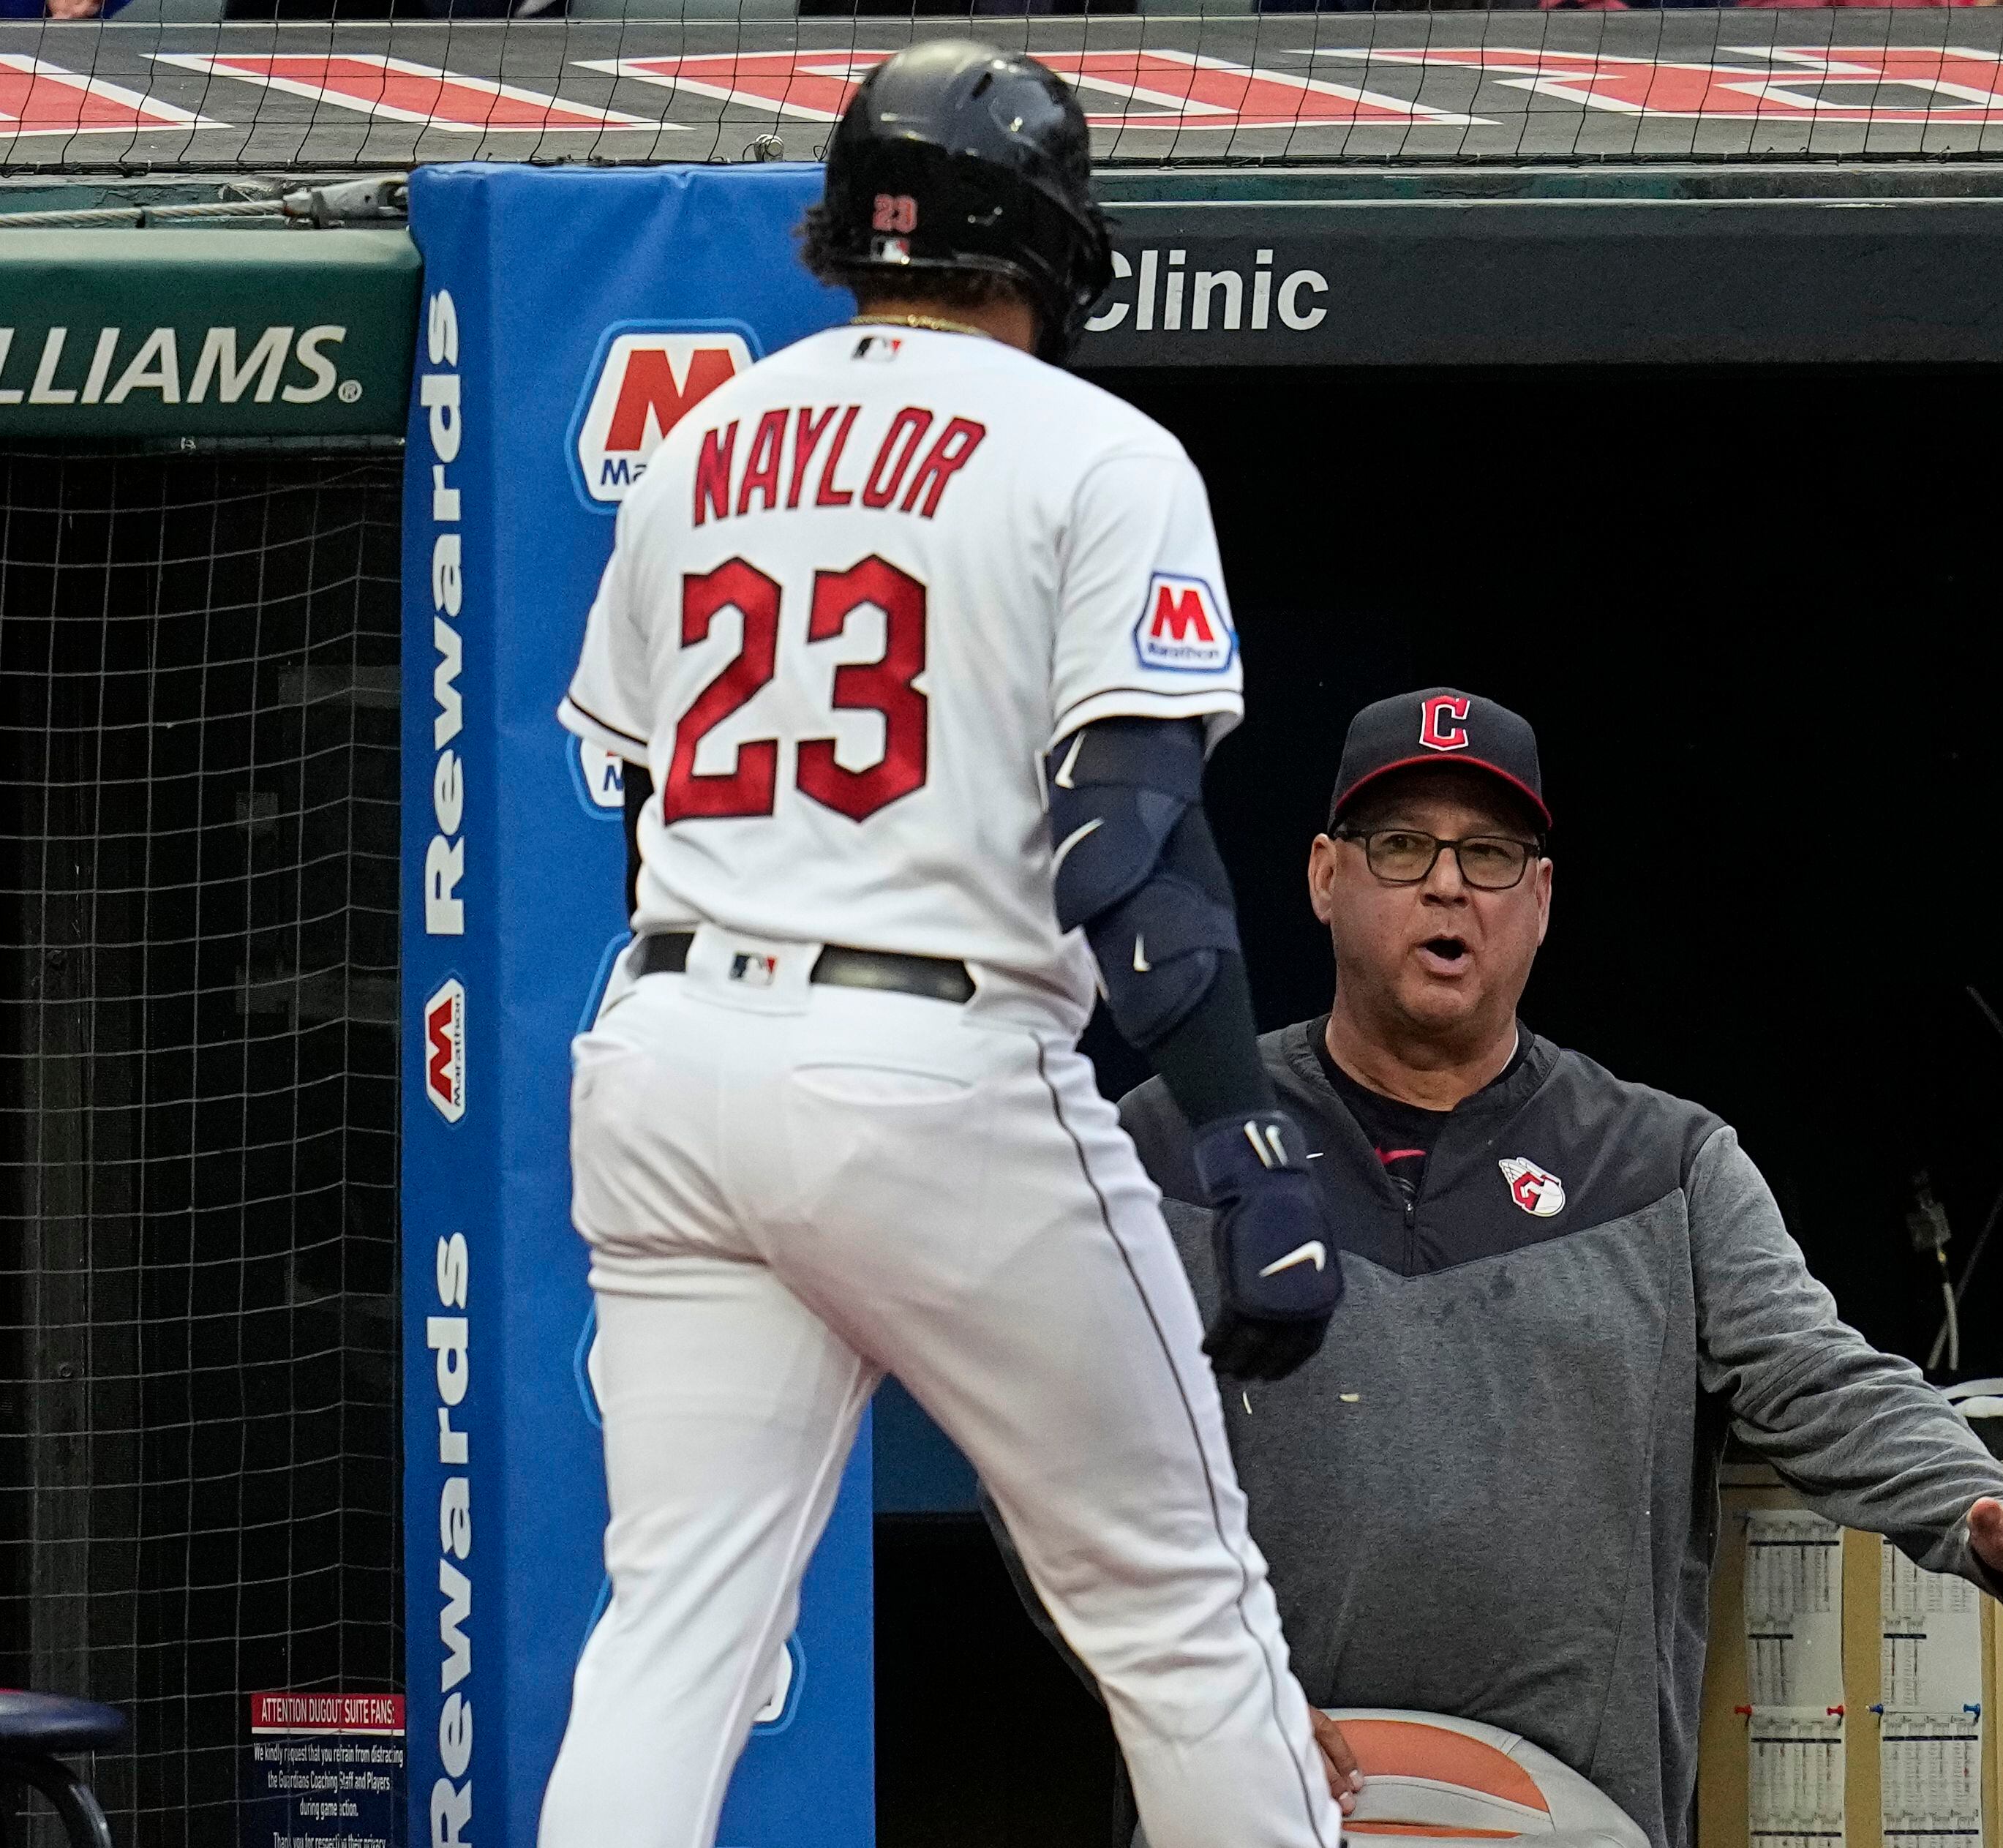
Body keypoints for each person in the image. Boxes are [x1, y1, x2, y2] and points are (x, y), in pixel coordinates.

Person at [540, 42, 1343, 1848]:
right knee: (1175, 1610)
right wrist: (1249, 1147)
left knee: (674, 1637)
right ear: (1052, 242)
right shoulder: (1100, 447)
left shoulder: (706, 437)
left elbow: (631, 809)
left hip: (668, 1051)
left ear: (851, 233)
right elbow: (1131, 851)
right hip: (931, 1060)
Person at [1102, 687, 2003, 1848]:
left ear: (1539, 901)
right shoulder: (1174, 1144)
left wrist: (1970, 1500)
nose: (1448, 884)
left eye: (1489, 855)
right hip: (1258, 1800)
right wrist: (1207, 1688)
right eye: (1403, 847)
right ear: (1325, 876)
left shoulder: (1664, 1165)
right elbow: (1062, 1459)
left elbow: (1817, 1373)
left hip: (1571, 1816)